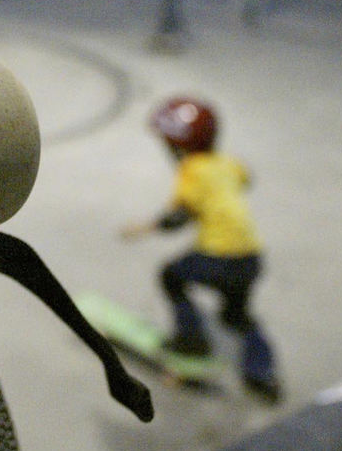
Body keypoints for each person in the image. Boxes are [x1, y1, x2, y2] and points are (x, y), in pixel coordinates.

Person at [121, 97, 282, 403]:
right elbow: (247, 178)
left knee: (171, 276)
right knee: (238, 316)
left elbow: (177, 219)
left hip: (216, 258)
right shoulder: (229, 163)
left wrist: (144, 228)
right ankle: (263, 375)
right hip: (251, 259)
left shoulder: (191, 169)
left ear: (177, 146)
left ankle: (191, 340)